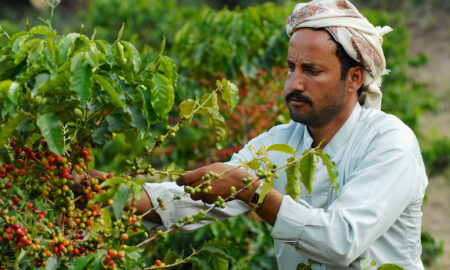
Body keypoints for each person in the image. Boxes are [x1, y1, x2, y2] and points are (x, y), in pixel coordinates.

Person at [82, 0, 428, 269]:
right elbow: (187, 201)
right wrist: (106, 191)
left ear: (354, 78)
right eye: (291, 67)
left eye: (312, 70)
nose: (294, 83)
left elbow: (341, 241)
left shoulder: (389, 144)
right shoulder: (279, 143)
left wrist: (251, 190)